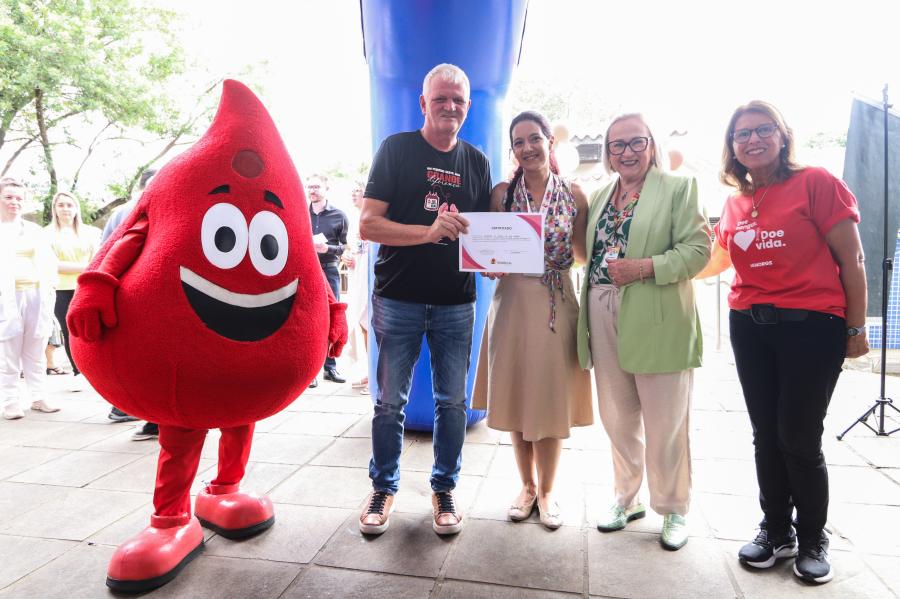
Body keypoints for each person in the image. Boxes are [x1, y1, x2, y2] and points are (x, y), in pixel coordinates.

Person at [697, 101, 868, 584]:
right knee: (764, 435)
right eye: (741, 135)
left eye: (762, 130)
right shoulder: (736, 203)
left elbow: (852, 261)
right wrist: (659, 265)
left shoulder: (816, 183)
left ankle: (812, 535)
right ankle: (776, 530)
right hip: (749, 326)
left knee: (798, 435)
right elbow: (716, 261)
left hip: (812, 326)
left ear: (782, 134)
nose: (751, 140)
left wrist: (855, 329)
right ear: (732, 148)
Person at [358, 63, 491, 536]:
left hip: (457, 302)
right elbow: (368, 225)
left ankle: (444, 488)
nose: (450, 107)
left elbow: (483, 235)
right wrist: (429, 232)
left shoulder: (477, 161)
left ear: (468, 107)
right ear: (423, 103)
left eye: (458, 100)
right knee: (389, 403)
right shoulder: (396, 150)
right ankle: (384, 486)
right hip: (398, 299)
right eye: (441, 99)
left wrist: (495, 256)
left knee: (452, 403)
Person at [575, 112, 710, 550]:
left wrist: (644, 268)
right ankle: (626, 498)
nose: (627, 152)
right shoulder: (599, 196)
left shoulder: (679, 188)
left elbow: (698, 249)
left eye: (636, 142)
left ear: (651, 145)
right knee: (617, 417)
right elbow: (585, 252)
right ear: (608, 154)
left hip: (656, 312)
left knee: (666, 419)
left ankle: (672, 508)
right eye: (618, 145)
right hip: (601, 308)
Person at [472, 110, 592, 530]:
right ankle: (525, 486)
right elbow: (488, 250)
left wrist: (549, 253)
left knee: (550, 399)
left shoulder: (575, 194)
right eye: (518, 141)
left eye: (534, 139)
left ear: (549, 142)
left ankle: (548, 491)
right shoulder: (502, 194)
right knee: (519, 395)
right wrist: (491, 261)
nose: (527, 148)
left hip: (557, 299)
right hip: (512, 302)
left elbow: (580, 255)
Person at [101, 169, 158, 437]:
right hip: (138, 296)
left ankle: (134, 410)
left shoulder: (122, 212)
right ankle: (148, 416)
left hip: (133, 294)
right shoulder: (131, 212)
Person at [0, 179, 59, 418]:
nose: (14, 202)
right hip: (7, 298)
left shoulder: (34, 231)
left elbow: (49, 262)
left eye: (19, 198)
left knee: (35, 346)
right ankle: (10, 400)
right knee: (9, 348)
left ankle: (38, 396)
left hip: (36, 295)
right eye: (9, 197)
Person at [45, 191, 102, 387]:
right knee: (70, 333)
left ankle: (98, 371)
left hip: (86, 287)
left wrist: (85, 268)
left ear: (76, 208)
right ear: (55, 209)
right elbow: (53, 265)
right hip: (61, 290)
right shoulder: (46, 235)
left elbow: (99, 258)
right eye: (61, 205)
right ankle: (79, 372)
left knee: (93, 329)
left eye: (69, 205)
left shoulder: (91, 232)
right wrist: (86, 267)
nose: (65, 209)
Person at [308, 173, 349, 387]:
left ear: (326, 188)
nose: (312, 190)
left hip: (329, 269)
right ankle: (310, 371)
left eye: (316, 186)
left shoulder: (339, 216)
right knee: (310, 319)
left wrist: (328, 248)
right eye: (310, 187)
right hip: (308, 270)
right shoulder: (299, 213)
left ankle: (330, 367)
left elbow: (344, 247)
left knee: (332, 315)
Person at [341, 180, 370, 394]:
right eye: (352, 191)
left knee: (370, 323)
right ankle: (369, 370)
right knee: (361, 324)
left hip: (370, 275)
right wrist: (346, 255)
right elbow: (349, 247)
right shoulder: (352, 217)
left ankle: (376, 376)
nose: (353, 195)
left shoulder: (373, 216)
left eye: (358, 191)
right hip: (356, 275)